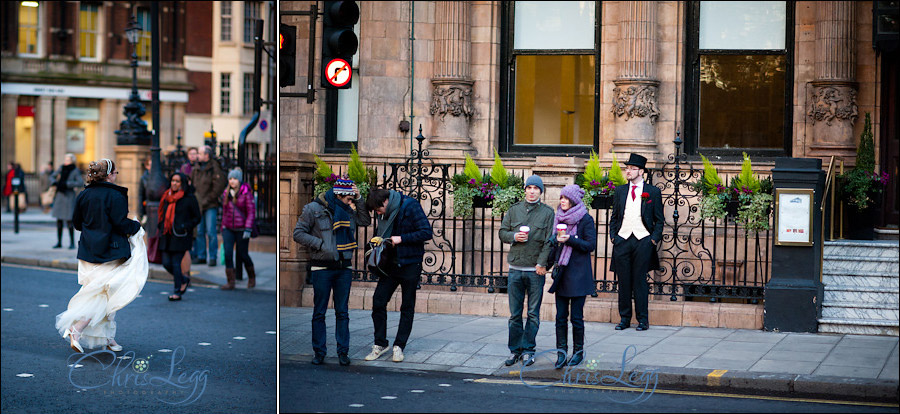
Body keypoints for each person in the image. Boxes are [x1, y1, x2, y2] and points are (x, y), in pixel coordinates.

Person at [55, 158, 146, 353]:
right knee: (104, 295)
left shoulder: (84, 195)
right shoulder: (116, 196)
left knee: (101, 292)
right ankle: (77, 328)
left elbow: (77, 224)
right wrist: (136, 225)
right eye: (115, 173)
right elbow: (121, 224)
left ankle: (107, 337)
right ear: (110, 175)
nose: (116, 176)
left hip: (88, 251)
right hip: (109, 251)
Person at [293, 179, 370, 366]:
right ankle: (319, 352)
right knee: (319, 312)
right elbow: (298, 233)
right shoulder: (313, 209)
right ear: (337, 195)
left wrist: (359, 198)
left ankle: (343, 352)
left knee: (342, 312)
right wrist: (320, 245)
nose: (350, 202)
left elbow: (365, 220)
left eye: (352, 199)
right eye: (348, 198)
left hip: (343, 268)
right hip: (322, 267)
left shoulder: (348, 211)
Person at [364, 188, 433, 364]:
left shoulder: (410, 205)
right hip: (390, 266)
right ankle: (380, 343)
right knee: (378, 301)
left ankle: (399, 346)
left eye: (378, 210)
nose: (378, 214)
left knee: (407, 306)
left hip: (410, 263)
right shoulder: (385, 213)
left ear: (385, 202)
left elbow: (426, 232)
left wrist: (401, 238)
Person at [498, 175, 555, 367]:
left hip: (535, 270)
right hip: (515, 268)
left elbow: (549, 241)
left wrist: (541, 264)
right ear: (525, 190)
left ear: (540, 191)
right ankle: (515, 350)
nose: (532, 191)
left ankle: (528, 349)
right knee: (514, 314)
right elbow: (502, 232)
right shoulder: (514, 210)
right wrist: (514, 236)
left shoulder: (548, 213)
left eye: (535, 188)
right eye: (529, 187)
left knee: (532, 313)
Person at [608, 153, 664, 332]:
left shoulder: (653, 192)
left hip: (643, 241)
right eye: (627, 168)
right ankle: (624, 319)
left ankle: (642, 320)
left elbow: (659, 220)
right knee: (623, 282)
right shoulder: (620, 191)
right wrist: (613, 237)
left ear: (641, 171)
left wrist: (653, 239)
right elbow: (615, 216)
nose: (628, 171)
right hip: (622, 240)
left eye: (632, 168)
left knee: (640, 282)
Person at [547, 184, 596, 369]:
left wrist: (571, 239)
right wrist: (546, 261)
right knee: (560, 317)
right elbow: (554, 246)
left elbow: (590, 245)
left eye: (566, 198)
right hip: (562, 274)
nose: (562, 201)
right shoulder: (558, 218)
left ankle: (578, 353)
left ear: (574, 200)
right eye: (561, 198)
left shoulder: (585, 219)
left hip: (578, 274)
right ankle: (561, 353)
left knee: (576, 317)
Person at [158, 172, 202, 301]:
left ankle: (177, 291)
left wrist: (185, 226)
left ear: (182, 183)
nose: (174, 183)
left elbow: (197, 217)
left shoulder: (189, 198)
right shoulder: (166, 196)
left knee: (176, 264)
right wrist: (161, 226)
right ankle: (183, 279)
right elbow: (162, 214)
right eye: (173, 181)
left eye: (177, 181)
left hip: (181, 236)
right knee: (166, 263)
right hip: (167, 235)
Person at [220, 168, 257, 290]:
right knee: (228, 254)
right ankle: (231, 282)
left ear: (239, 180)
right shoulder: (226, 193)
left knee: (243, 254)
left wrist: (247, 229)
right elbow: (225, 212)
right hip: (228, 228)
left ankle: (252, 277)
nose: (232, 181)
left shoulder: (246, 192)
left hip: (242, 229)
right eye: (230, 178)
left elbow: (251, 212)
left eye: (235, 178)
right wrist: (223, 226)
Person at [190, 146, 226, 266]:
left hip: (210, 205)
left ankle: (212, 257)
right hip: (199, 204)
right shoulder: (196, 168)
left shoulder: (214, 168)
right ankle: (201, 256)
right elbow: (193, 185)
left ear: (207, 155)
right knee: (199, 231)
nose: (197, 156)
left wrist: (208, 199)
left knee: (211, 232)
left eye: (199, 153)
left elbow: (218, 187)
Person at [51, 154, 84, 249]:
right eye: (65, 159)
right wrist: (55, 182)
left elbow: (80, 183)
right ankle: (59, 242)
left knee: (70, 221)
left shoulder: (75, 170)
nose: (66, 161)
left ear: (72, 161)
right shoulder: (61, 168)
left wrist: (67, 184)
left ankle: (72, 243)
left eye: (68, 159)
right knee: (59, 220)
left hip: (69, 196)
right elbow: (52, 176)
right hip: (60, 196)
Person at [137, 157, 151, 223]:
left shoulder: (160, 177)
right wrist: (140, 213)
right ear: (147, 166)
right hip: (146, 207)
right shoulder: (143, 178)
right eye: (150, 165)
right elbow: (140, 195)